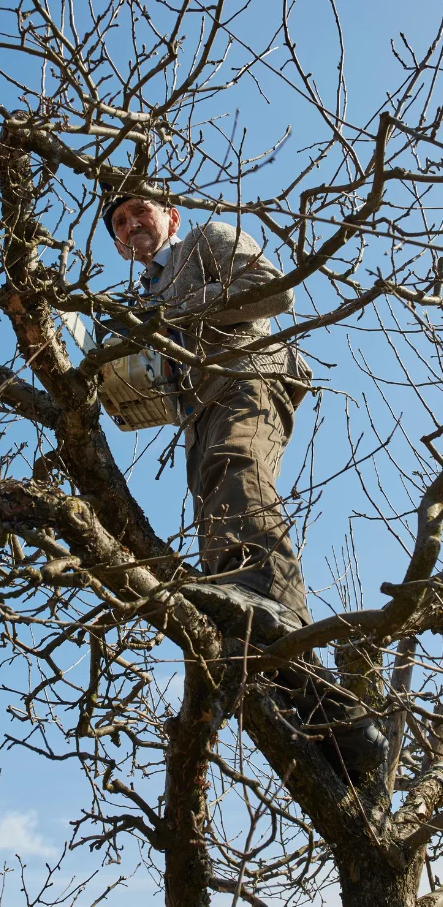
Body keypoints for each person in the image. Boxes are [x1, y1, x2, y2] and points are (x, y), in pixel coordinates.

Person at [102, 188, 388, 776]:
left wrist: (168, 315)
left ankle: (304, 665)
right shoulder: (141, 295)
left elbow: (271, 291)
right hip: (198, 413)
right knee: (218, 544)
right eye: (120, 223)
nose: (132, 226)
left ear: (170, 216)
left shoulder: (207, 239)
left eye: (141, 213)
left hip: (244, 381)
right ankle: (308, 714)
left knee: (239, 487)